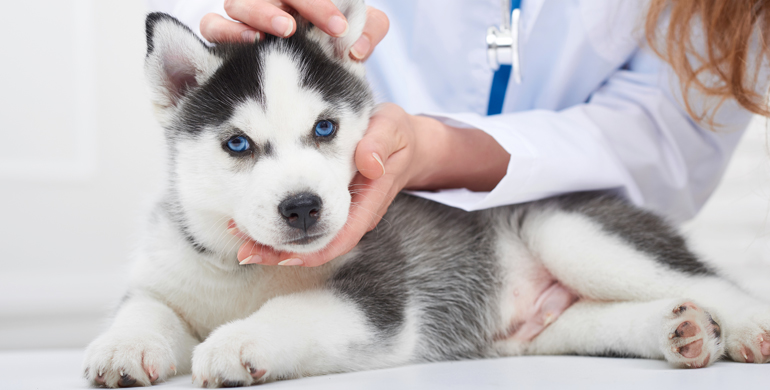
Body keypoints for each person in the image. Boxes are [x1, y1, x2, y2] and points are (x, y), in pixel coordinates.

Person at [147, 0, 770, 267]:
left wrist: (438, 150)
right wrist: (274, 29)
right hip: (365, 263)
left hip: (575, 251)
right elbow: (201, 89)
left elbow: (664, 143)